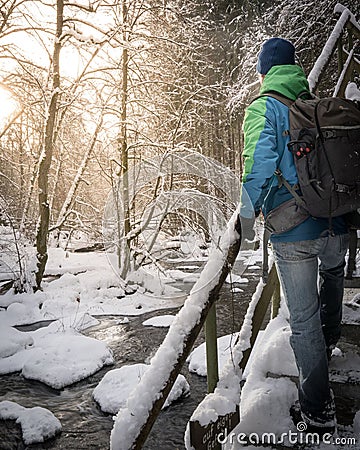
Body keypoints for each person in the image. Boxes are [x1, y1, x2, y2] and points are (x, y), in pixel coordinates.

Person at [240, 37, 349, 435]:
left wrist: (246, 214)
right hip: (336, 220)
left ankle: (318, 411)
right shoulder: (317, 105)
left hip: (293, 229)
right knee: (334, 274)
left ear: (264, 72)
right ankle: (333, 334)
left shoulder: (264, 107)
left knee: (303, 322)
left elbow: (258, 164)